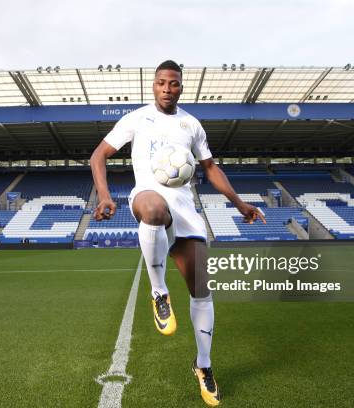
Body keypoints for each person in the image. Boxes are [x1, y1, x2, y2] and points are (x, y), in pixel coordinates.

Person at [89, 60, 266, 407]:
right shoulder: (136, 119)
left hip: (186, 210)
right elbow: (99, 156)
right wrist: (105, 195)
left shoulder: (191, 125)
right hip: (148, 196)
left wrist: (239, 203)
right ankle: (159, 293)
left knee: (201, 291)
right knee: (153, 211)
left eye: (173, 84)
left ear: (181, 88)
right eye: (161, 83)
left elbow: (211, 168)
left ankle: (203, 366)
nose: (167, 89)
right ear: (152, 86)